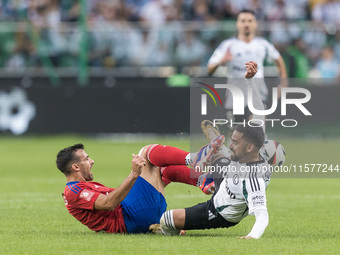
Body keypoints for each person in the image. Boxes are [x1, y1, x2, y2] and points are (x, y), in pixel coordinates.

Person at [56, 137, 225, 234]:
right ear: (75, 167)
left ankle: (203, 180)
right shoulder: (73, 191)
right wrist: (134, 174)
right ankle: (195, 159)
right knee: (146, 152)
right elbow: (109, 204)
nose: (91, 161)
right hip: (131, 218)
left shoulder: (80, 187)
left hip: (137, 219)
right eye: (86, 159)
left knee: (163, 170)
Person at [154, 124, 271, 239]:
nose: (231, 145)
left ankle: (176, 231)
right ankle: (208, 177)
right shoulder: (250, 154)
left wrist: (252, 236)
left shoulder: (254, 179)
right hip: (227, 178)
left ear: (249, 147)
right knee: (170, 171)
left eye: (235, 142)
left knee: (166, 219)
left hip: (219, 210)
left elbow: (262, 214)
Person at [207, 9, 287, 122]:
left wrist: (284, 82)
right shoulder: (228, 45)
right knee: (236, 136)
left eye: (250, 21)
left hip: (257, 94)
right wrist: (220, 62)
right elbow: (209, 68)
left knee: (257, 129)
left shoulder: (263, 44)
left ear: (255, 24)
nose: (246, 24)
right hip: (235, 96)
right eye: (243, 21)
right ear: (237, 24)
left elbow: (279, 60)